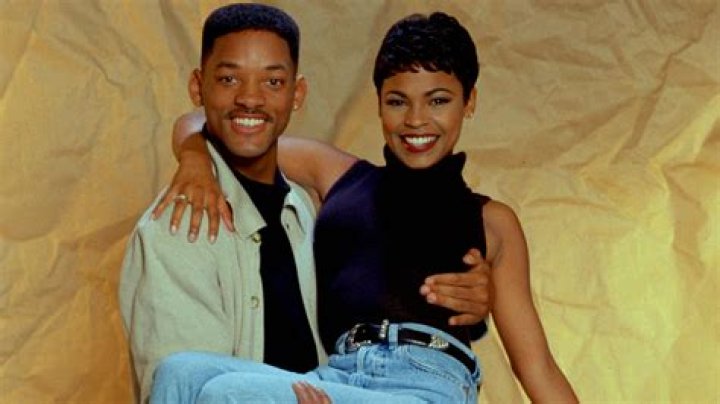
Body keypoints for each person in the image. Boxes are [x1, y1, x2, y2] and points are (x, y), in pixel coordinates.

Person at [152, 10, 578, 404]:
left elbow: (537, 368)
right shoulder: (338, 174)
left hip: (426, 385)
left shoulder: (492, 221)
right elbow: (205, 125)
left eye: (438, 100)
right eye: (397, 101)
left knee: (229, 394)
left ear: (469, 102)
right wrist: (195, 159)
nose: (416, 119)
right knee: (179, 373)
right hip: (340, 373)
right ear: (378, 103)